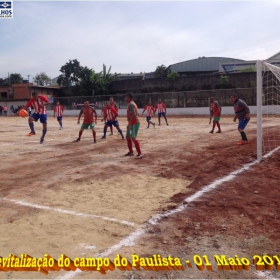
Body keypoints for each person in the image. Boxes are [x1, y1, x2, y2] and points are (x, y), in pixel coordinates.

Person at [125, 93, 143, 159]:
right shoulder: (132, 104)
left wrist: (129, 123)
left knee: (133, 138)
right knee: (128, 136)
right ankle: (131, 152)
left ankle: (140, 153)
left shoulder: (131, 104)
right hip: (132, 123)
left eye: (126, 97)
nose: (125, 98)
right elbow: (136, 113)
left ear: (128, 97)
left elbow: (134, 114)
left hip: (134, 124)